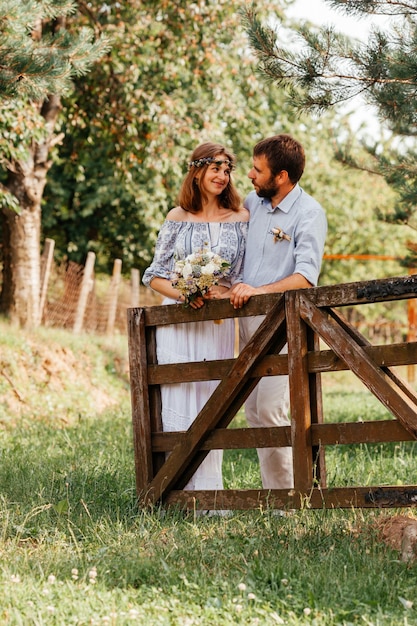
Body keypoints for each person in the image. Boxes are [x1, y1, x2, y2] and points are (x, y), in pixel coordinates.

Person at [142, 142, 249, 492]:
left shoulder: (241, 218)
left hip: (219, 326)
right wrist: (187, 294)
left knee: (211, 399)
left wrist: (225, 290)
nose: (222, 175)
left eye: (227, 169)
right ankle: (172, 486)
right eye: (215, 167)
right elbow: (154, 274)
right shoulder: (178, 217)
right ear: (197, 171)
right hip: (182, 323)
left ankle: (208, 492)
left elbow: (244, 274)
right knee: (179, 394)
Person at [229, 134, 327, 490]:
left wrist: (259, 292)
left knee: (270, 408)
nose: (251, 176)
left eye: (258, 170)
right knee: (253, 410)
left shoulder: (309, 213)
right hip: (244, 324)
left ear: (281, 176)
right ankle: (277, 494)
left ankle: (289, 496)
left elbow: (305, 277)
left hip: (285, 324)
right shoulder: (253, 206)